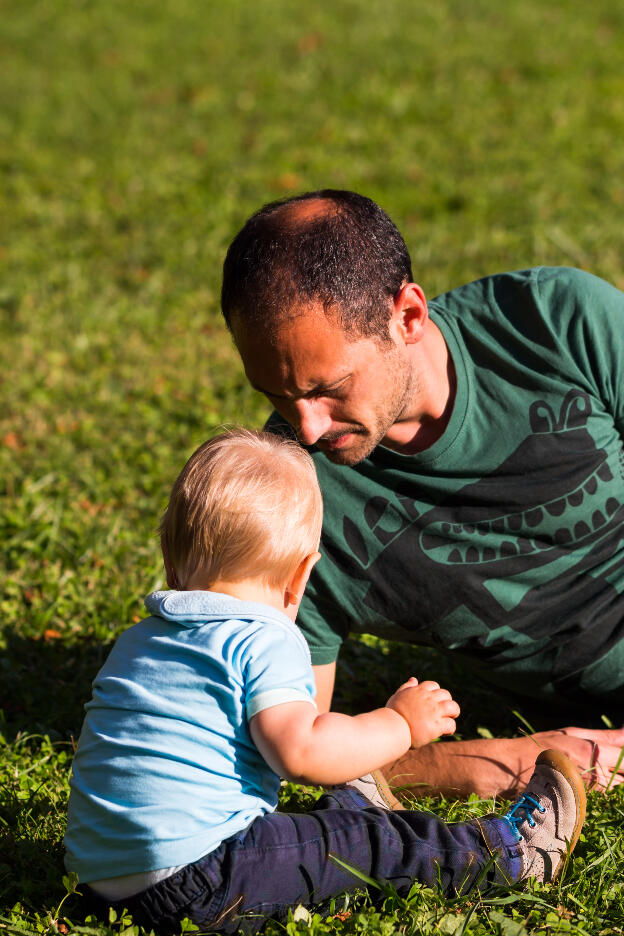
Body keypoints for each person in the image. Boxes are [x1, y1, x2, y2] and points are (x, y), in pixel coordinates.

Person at [65, 429, 586, 934]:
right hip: (203, 879)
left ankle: (352, 805)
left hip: (98, 881)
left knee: (321, 836)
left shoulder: (140, 639)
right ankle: (507, 854)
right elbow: (302, 753)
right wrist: (399, 723)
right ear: (301, 575)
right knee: (370, 845)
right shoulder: (262, 637)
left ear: (167, 557)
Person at [220, 189, 624, 800]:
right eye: (275, 395)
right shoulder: (293, 500)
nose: (306, 427)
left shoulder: (557, 324)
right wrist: (509, 758)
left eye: (327, 388)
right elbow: (294, 760)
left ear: (408, 316)